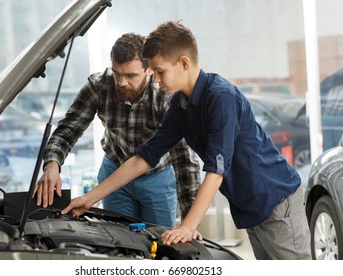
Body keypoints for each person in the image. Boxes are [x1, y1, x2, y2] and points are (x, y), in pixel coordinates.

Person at [60, 21, 311, 260]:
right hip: (249, 206)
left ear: (183, 62)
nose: (155, 80)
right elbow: (144, 157)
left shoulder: (220, 98)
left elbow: (216, 170)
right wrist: (89, 198)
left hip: (276, 203)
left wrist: (188, 226)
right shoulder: (180, 105)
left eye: (159, 71)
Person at [33, 33, 201, 228]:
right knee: (119, 242)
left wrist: (190, 223)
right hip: (114, 174)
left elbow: (185, 160)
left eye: (130, 76)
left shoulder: (166, 96)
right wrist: (52, 164)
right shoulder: (98, 86)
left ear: (149, 71)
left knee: (159, 243)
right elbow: (68, 130)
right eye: (116, 73)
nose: (121, 82)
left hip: (157, 178)